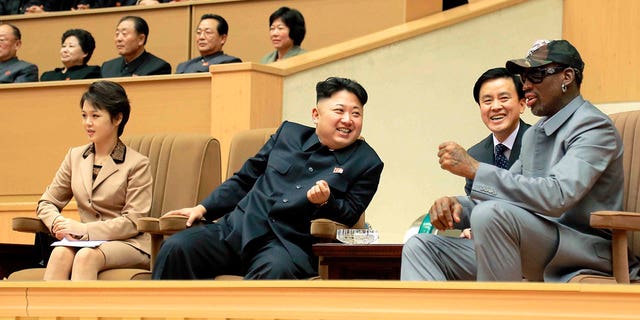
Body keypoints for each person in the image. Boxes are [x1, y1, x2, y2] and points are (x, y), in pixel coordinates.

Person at [401, 39, 640, 282]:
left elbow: (558, 196)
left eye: (535, 75)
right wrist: (458, 208)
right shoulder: (535, 134)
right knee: (420, 247)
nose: (525, 85)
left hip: (582, 249)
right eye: (524, 77)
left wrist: (475, 169)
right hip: (531, 242)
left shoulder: (593, 126)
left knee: (491, 214)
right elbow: (508, 191)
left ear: (567, 77)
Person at [152, 77, 383, 280]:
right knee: (176, 248)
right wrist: (203, 208)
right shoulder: (288, 134)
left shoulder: (367, 162)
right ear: (316, 115)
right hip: (237, 229)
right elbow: (245, 178)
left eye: (356, 113)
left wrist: (326, 201)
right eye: (339, 111)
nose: (348, 120)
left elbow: (352, 213)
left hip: (285, 245)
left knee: (274, 271)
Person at [37, 80, 152, 280]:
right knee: (60, 252)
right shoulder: (75, 156)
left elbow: (134, 222)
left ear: (117, 119)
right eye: (84, 116)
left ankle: (83, 313)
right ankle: (50, 312)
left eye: (95, 116)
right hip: (83, 241)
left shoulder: (137, 163)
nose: (87, 123)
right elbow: (47, 202)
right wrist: (58, 223)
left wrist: (84, 229)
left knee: (86, 257)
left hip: (129, 243)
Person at [464, 67, 530, 195]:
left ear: (522, 105)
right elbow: (473, 203)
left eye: (504, 98)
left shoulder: (541, 143)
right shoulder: (475, 155)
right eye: (487, 101)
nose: (495, 107)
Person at [101, 16, 171, 78]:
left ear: (141, 39)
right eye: (117, 34)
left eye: (124, 34)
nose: (119, 39)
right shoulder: (107, 67)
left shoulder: (158, 67)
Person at [176, 14, 241, 74]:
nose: (201, 37)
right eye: (198, 32)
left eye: (208, 32)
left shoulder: (230, 62)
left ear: (223, 39)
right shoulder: (183, 66)